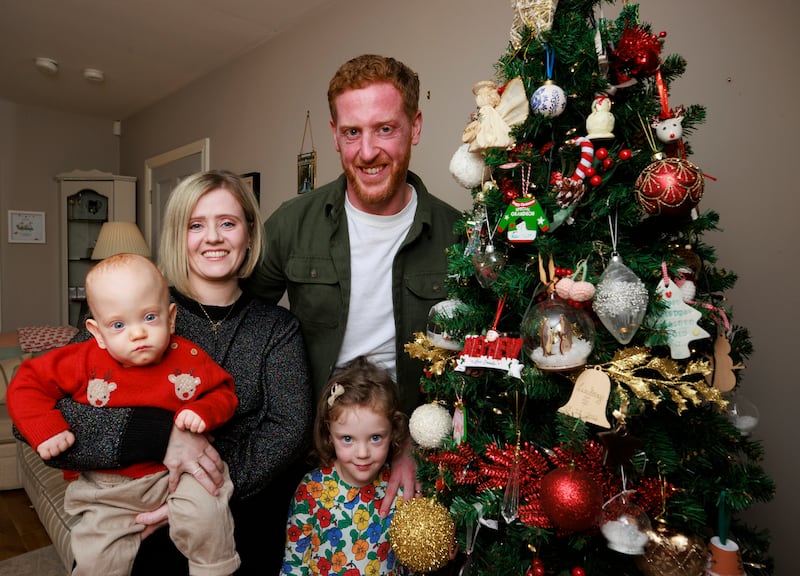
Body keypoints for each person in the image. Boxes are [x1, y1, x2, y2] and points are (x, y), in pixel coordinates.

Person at [44, 170, 313, 575]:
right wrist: (159, 438)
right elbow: (45, 416)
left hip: (239, 519)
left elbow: (287, 427)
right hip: (137, 522)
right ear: (177, 235)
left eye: (228, 222)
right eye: (196, 225)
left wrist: (196, 493)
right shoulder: (134, 313)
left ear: (250, 234)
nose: (214, 237)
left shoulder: (277, 328)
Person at [247, 54, 461, 514]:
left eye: (385, 128)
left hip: (409, 449)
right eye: (352, 132)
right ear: (335, 134)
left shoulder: (457, 235)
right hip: (307, 447)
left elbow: (471, 365)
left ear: (415, 127)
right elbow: (243, 321)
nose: (367, 152)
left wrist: (416, 448)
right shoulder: (291, 224)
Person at [9, 253, 241, 576]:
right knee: (95, 558)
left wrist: (203, 410)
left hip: (176, 476)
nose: (137, 334)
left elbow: (224, 392)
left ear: (170, 318)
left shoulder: (187, 356)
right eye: (118, 325)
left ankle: (215, 569)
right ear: (97, 332)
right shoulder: (80, 359)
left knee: (207, 514)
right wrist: (46, 427)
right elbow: (26, 383)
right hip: (108, 488)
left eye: (149, 318)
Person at [282, 356, 412, 576]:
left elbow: (413, 563)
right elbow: (294, 563)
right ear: (330, 435)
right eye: (348, 439)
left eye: (375, 438)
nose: (362, 453)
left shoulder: (399, 490)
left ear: (393, 431)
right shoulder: (311, 490)